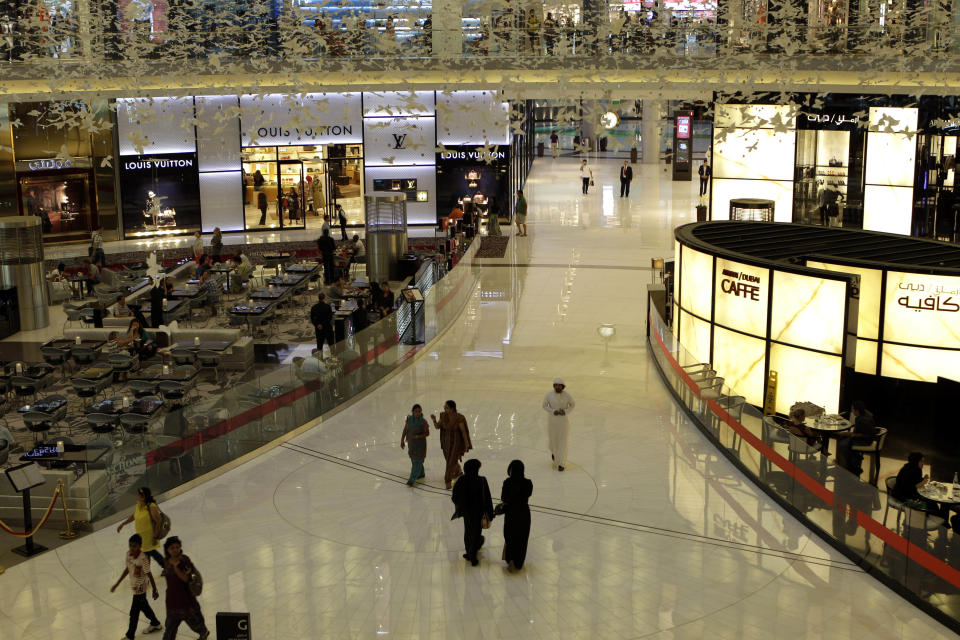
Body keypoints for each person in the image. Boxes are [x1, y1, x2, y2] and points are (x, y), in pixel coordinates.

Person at [111, 533, 163, 639]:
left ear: (140, 546)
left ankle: (130, 635)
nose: (132, 548)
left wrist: (154, 589)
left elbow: (149, 573)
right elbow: (127, 569)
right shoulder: (128, 554)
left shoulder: (143, 558)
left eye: (134, 545)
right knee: (144, 607)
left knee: (134, 612)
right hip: (134, 587)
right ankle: (155, 623)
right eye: (130, 545)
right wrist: (118, 583)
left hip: (141, 588)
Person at [160, 536, 209, 640]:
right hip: (172, 599)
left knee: (194, 621)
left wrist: (176, 567)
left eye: (177, 547)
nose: (175, 550)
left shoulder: (184, 560)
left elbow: (186, 579)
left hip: (185, 599)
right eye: (172, 548)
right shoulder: (167, 561)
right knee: (170, 626)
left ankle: (203, 632)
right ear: (167, 549)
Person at [451, 459, 494, 566]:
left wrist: (461, 506)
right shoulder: (482, 480)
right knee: (476, 532)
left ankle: (469, 552)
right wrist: (490, 512)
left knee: (468, 531)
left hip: (467, 512)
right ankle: (473, 554)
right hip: (478, 511)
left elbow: (454, 496)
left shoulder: (462, 480)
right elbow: (487, 497)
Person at [116, 486, 165, 568]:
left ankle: (147, 572)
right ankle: (163, 567)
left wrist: (155, 537)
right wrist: (124, 523)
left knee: (147, 554)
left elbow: (158, 522)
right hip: (142, 536)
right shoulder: (139, 504)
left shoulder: (151, 507)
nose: (137, 496)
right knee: (151, 553)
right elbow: (135, 516)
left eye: (138, 495)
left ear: (143, 497)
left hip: (149, 537)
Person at [499, 460, 533, 572]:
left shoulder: (508, 482)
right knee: (522, 538)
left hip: (511, 513)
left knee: (510, 536)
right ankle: (518, 562)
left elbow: (504, 498)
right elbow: (527, 494)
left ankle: (510, 559)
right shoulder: (528, 483)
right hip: (524, 513)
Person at [431, 400, 472, 489]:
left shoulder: (459, 418)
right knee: (450, 461)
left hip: (455, 445)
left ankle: (447, 480)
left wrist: (466, 444)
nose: (445, 409)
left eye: (447, 408)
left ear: (452, 408)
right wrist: (434, 420)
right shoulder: (443, 416)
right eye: (444, 407)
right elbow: (437, 426)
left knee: (449, 464)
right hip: (446, 445)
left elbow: (463, 431)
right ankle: (458, 472)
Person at [542, 378, 575, 471]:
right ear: (554, 386)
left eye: (559, 385)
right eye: (556, 385)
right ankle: (554, 453)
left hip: (563, 422)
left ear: (562, 387)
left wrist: (565, 411)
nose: (558, 387)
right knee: (553, 441)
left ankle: (561, 463)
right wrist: (553, 411)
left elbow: (572, 404)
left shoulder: (567, 395)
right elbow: (544, 405)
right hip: (552, 422)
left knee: (562, 442)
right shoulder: (549, 394)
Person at [837, 400, 877, 474]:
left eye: (853, 409)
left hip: (865, 441)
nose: (852, 411)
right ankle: (855, 458)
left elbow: (868, 434)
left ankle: (852, 465)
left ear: (857, 410)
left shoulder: (863, 420)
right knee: (842, 438)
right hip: (863, 438)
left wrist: (852, 434)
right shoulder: (864, 415)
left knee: (843, 444)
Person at [400, 403, 429, 486]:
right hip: (412, 444)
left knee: (418, 461)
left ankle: (412, 479)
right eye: (416, 411)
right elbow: (405, 430)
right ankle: (421, 473)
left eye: (419, 411)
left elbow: (427, 433)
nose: (418, 413)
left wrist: (418, 436)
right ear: (412, 412)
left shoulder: (423, 422)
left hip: (420, 445)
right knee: (414, 460)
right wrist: (402, 440)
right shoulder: (409, 420)